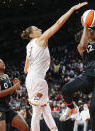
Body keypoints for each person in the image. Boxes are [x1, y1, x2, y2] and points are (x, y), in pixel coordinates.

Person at [21, 2, 88, 131]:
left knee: (45, 108)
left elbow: (25, 69)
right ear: (31, 35)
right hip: (37, 80)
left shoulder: (28, 46)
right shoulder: (41, 40)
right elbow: (58, 24)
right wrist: (72, 8)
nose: (39, 29)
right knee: (37, 111)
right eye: (36, 29)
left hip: (31, 79)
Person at [0, 58, 29, 131]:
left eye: (2, 61)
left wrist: (15, 86)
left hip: (7, 106)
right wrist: (13, 87)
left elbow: (9, 92)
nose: (2, 62)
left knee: (25, 127)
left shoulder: (6, 76)